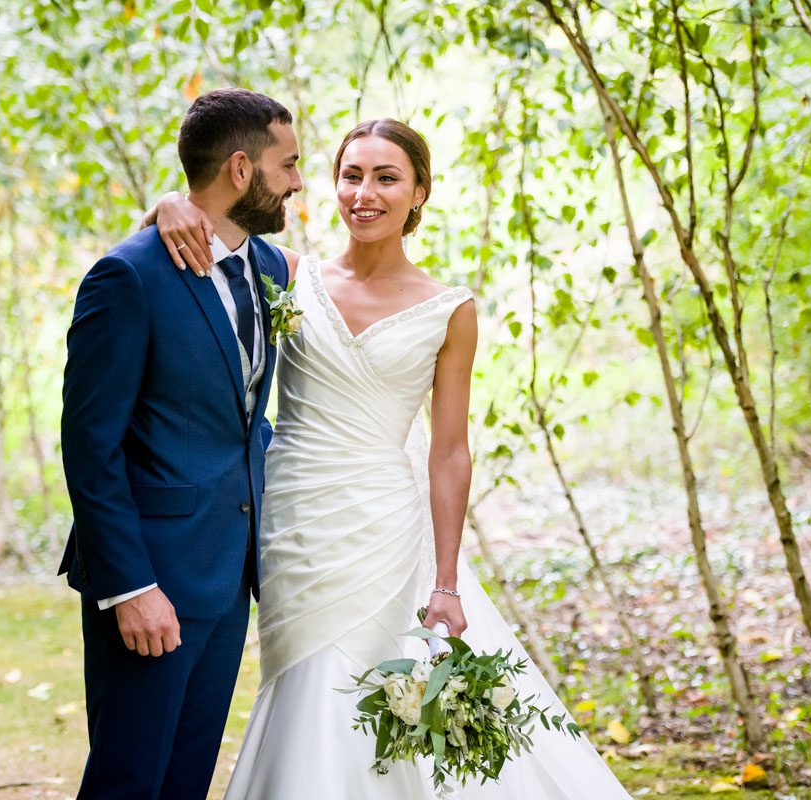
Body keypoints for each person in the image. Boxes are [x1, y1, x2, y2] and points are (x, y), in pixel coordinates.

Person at [154, 118, 633, 798]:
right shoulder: (287, 274)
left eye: (386, 178)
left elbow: (449, 452)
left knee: (370, 689)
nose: (365, 193)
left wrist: (445, 582)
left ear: (419, 192)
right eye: (352, 175)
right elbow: (204, 235)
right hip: (292, 523)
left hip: (382, 525)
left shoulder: (449, 310)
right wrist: (170, 204)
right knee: (301, 680)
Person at [58, 87, 302, 799]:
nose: (296, 181)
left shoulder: (271, 270)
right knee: (128, 780)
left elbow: (244, 412)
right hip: (151, 582)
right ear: (239, 168)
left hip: (228, 579)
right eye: (287, 164)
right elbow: (88, 444)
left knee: (185, 781)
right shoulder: (127, 277)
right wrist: (130, 587)